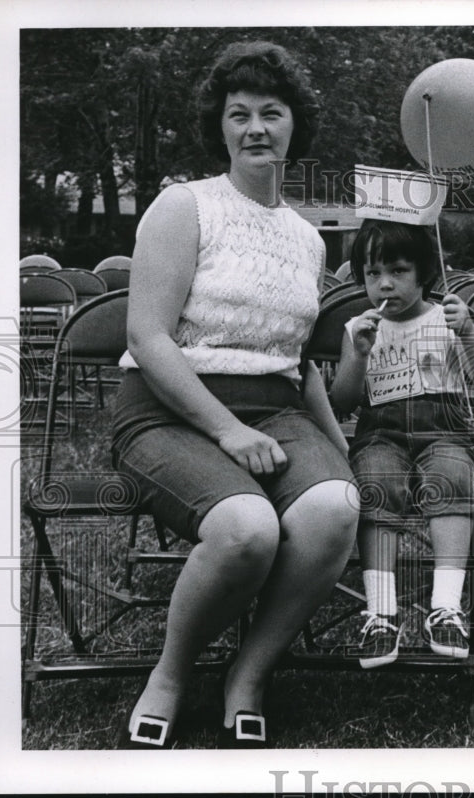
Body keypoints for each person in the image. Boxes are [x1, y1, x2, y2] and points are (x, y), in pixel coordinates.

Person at [110, 41, 359, 749]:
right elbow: (149, 337)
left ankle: (248, 675)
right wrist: (225, 430)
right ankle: (170, 674)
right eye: (239, 113)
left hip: (276, 410)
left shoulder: (309, 240)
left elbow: (295, 360)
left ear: (293, 127)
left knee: (333, 507)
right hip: (167, 408)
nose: (255, 127)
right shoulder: (183, 206)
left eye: (270, 113)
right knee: (247, 529)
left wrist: (336, 449)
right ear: (219, 126)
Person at [330, 220, 474, 667]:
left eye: (398, 270)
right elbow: (343, 402)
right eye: (372, 274)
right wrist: (359, 355)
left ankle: (446, 606)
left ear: (424, 272)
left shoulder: (448, 316)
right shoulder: (358, 329)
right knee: (376, 481)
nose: (385, 283)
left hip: (443, 429)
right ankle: (381, 611)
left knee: (451, 476)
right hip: (381, 433)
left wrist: (467, 331)